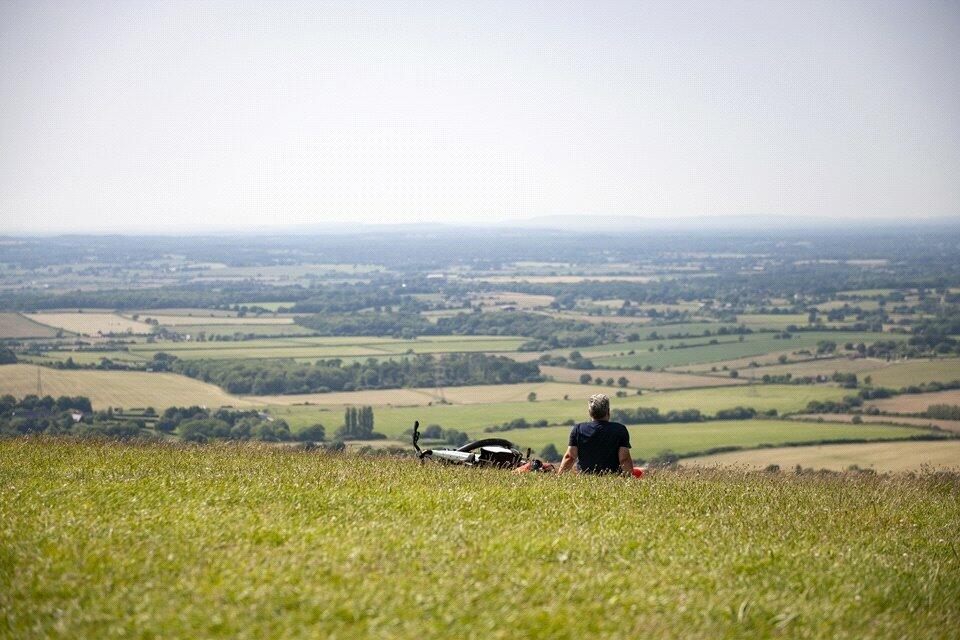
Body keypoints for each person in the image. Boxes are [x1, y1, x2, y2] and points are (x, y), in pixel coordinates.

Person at [557, 393, 633, 475]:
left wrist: (559, 477)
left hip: (585, 479)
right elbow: (624, 459)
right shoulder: (620, 430)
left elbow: (570, 457)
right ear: (608, 411)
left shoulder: (578, 429)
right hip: (612, 478)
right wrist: (629, 479)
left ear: (590, 412)